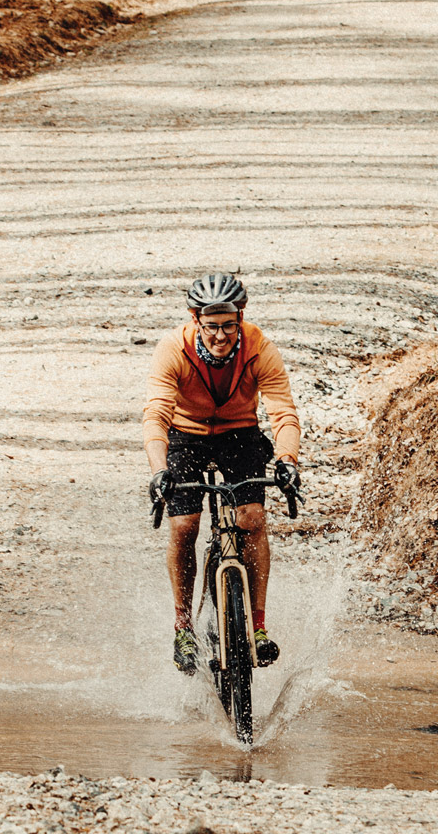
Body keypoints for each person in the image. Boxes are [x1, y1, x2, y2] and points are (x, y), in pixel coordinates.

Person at [143, 273, 301, 675]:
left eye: (228, 325)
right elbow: (157, 415)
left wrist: (287, 459)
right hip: (187, 435)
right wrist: (160, 469)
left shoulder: (260, 347)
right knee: (184, 526)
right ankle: (183, 627)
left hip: (239, 434)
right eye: (211, 326)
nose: (220, 335)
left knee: (252, 519)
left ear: (240, 318)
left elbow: (282, 411)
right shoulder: (173, 349)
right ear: (196, 320)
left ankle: (259, 626)